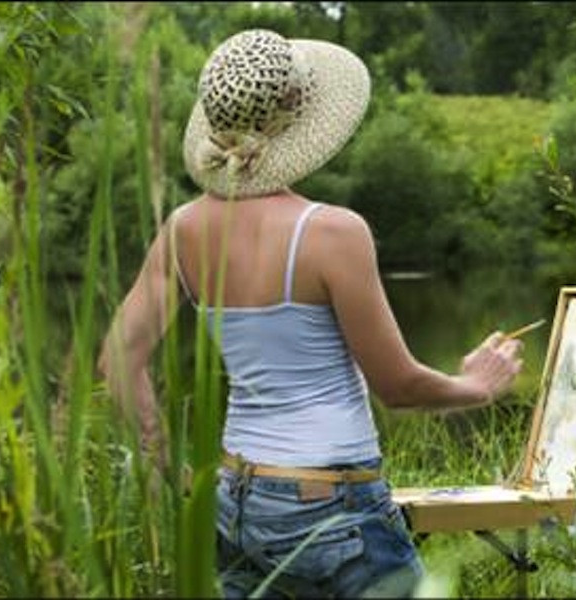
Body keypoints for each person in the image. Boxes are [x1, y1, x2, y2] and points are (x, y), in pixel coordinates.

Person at [97, 29, 524, 598]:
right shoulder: (332, 233)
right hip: (332, 505)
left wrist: (165, 465)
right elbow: (396, 387)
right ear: (298, 116)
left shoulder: (183, 230)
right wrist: (476, 385)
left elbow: (116, 362)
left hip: (236, 503)